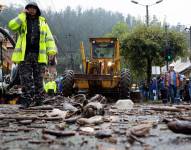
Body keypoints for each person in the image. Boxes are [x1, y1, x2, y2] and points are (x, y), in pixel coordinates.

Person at [8, 2, 57, 108]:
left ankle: (39, 100)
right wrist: (21, 15)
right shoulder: (22, 20)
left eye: (34, 8)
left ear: (37, 10)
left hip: (39, 56)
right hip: (25, 55)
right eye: (29, 8)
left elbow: (49, 38)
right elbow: (12, 26)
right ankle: (27, 100)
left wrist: (51, 52)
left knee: (39, 79)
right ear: (26, 9)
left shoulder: (43, 22)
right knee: (25, 79)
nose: (31, 10)